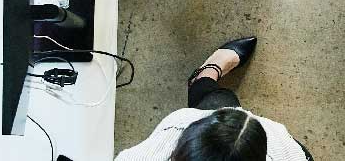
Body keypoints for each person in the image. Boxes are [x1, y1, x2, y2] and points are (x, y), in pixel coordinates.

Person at [115, 36, 311, 161]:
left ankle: (205, 76)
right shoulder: (280, 144)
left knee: (215, 99)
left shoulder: (173, 129)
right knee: (221, 102)